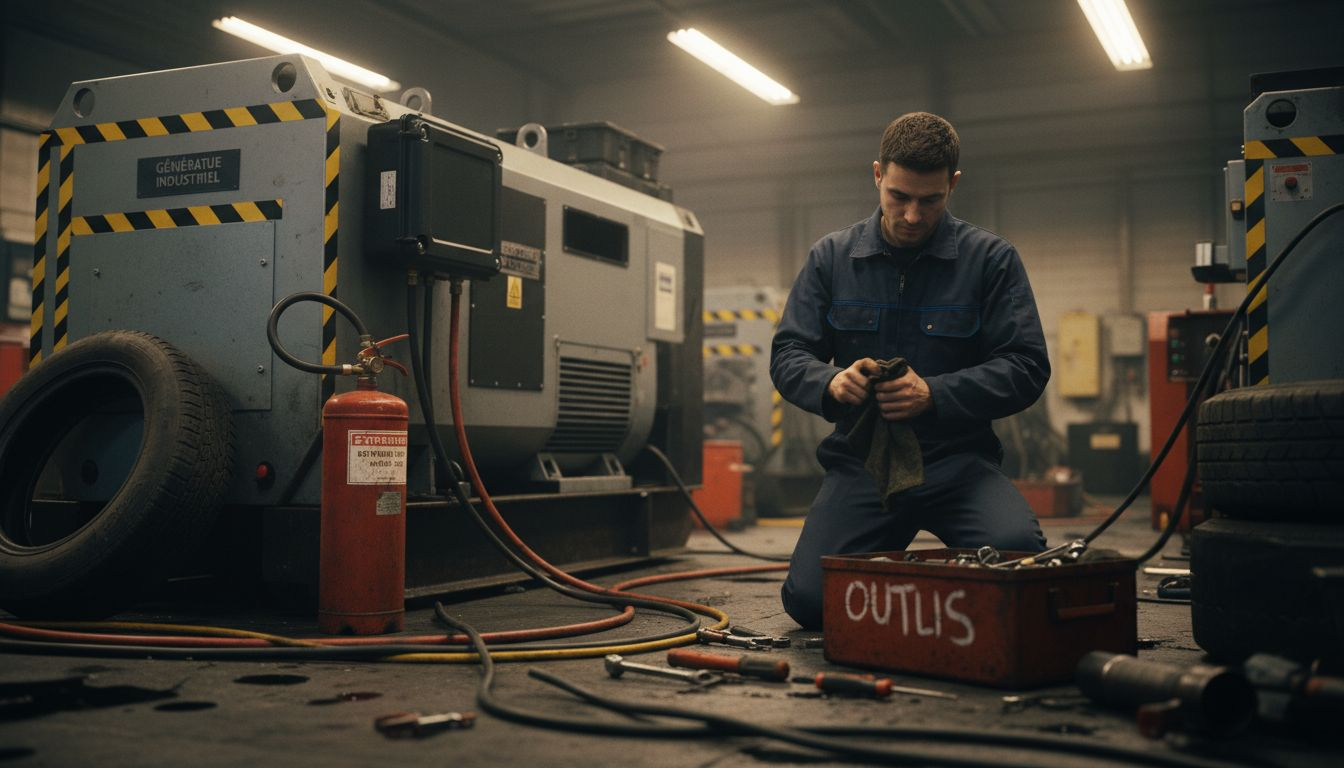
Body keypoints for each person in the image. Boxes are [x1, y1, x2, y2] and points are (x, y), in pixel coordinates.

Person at [770, 112, 1050, 629]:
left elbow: (1027, 366)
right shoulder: (831, 259)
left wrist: (936, 394)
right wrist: (829, 382)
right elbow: (788, 353)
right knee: (812, 601)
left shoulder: (990, 260)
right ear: (877, 174)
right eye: (899, 196)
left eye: (930, 200)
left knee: (1021, 568)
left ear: (953, 185)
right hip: (864, 467)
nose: (914, 215)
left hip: (959, 466)